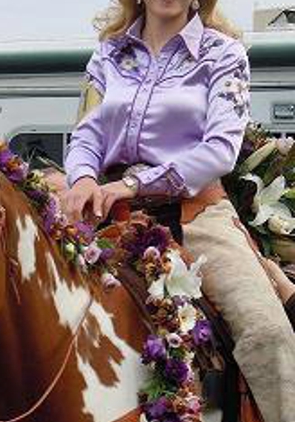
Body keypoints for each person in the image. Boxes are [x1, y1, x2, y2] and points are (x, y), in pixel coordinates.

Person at [61, 1, 295, 421]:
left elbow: (220, 149)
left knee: (268, 333)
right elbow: (86, 135)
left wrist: (132, 184)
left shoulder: (223, 53)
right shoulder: (108, 54)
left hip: (197, 216)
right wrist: (81, 179)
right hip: (109, 214)